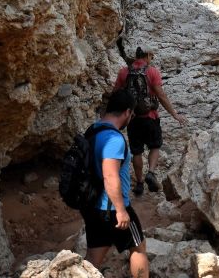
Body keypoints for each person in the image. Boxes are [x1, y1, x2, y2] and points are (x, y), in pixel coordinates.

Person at [80, 90, 149, 278]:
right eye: (132, 114)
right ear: (127, 112)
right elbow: (110, 176)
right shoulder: (114, 139)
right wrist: (121, 210)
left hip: (92, 205)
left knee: (94, 255)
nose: (131, 118)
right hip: (111, 208)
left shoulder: (93, 130)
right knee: (138, 248)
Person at [114, 46, 187, 195]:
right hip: (151, 117)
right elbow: (161, 95)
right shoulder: (152, 72)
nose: (151, 59)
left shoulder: (124, 72)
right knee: (155, 146)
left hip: (132, 119)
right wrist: (174, 114)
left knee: (137, 152)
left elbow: (116, 93)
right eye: (151, 56)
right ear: (147, 56)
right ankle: (151, 172)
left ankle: (139, 183)